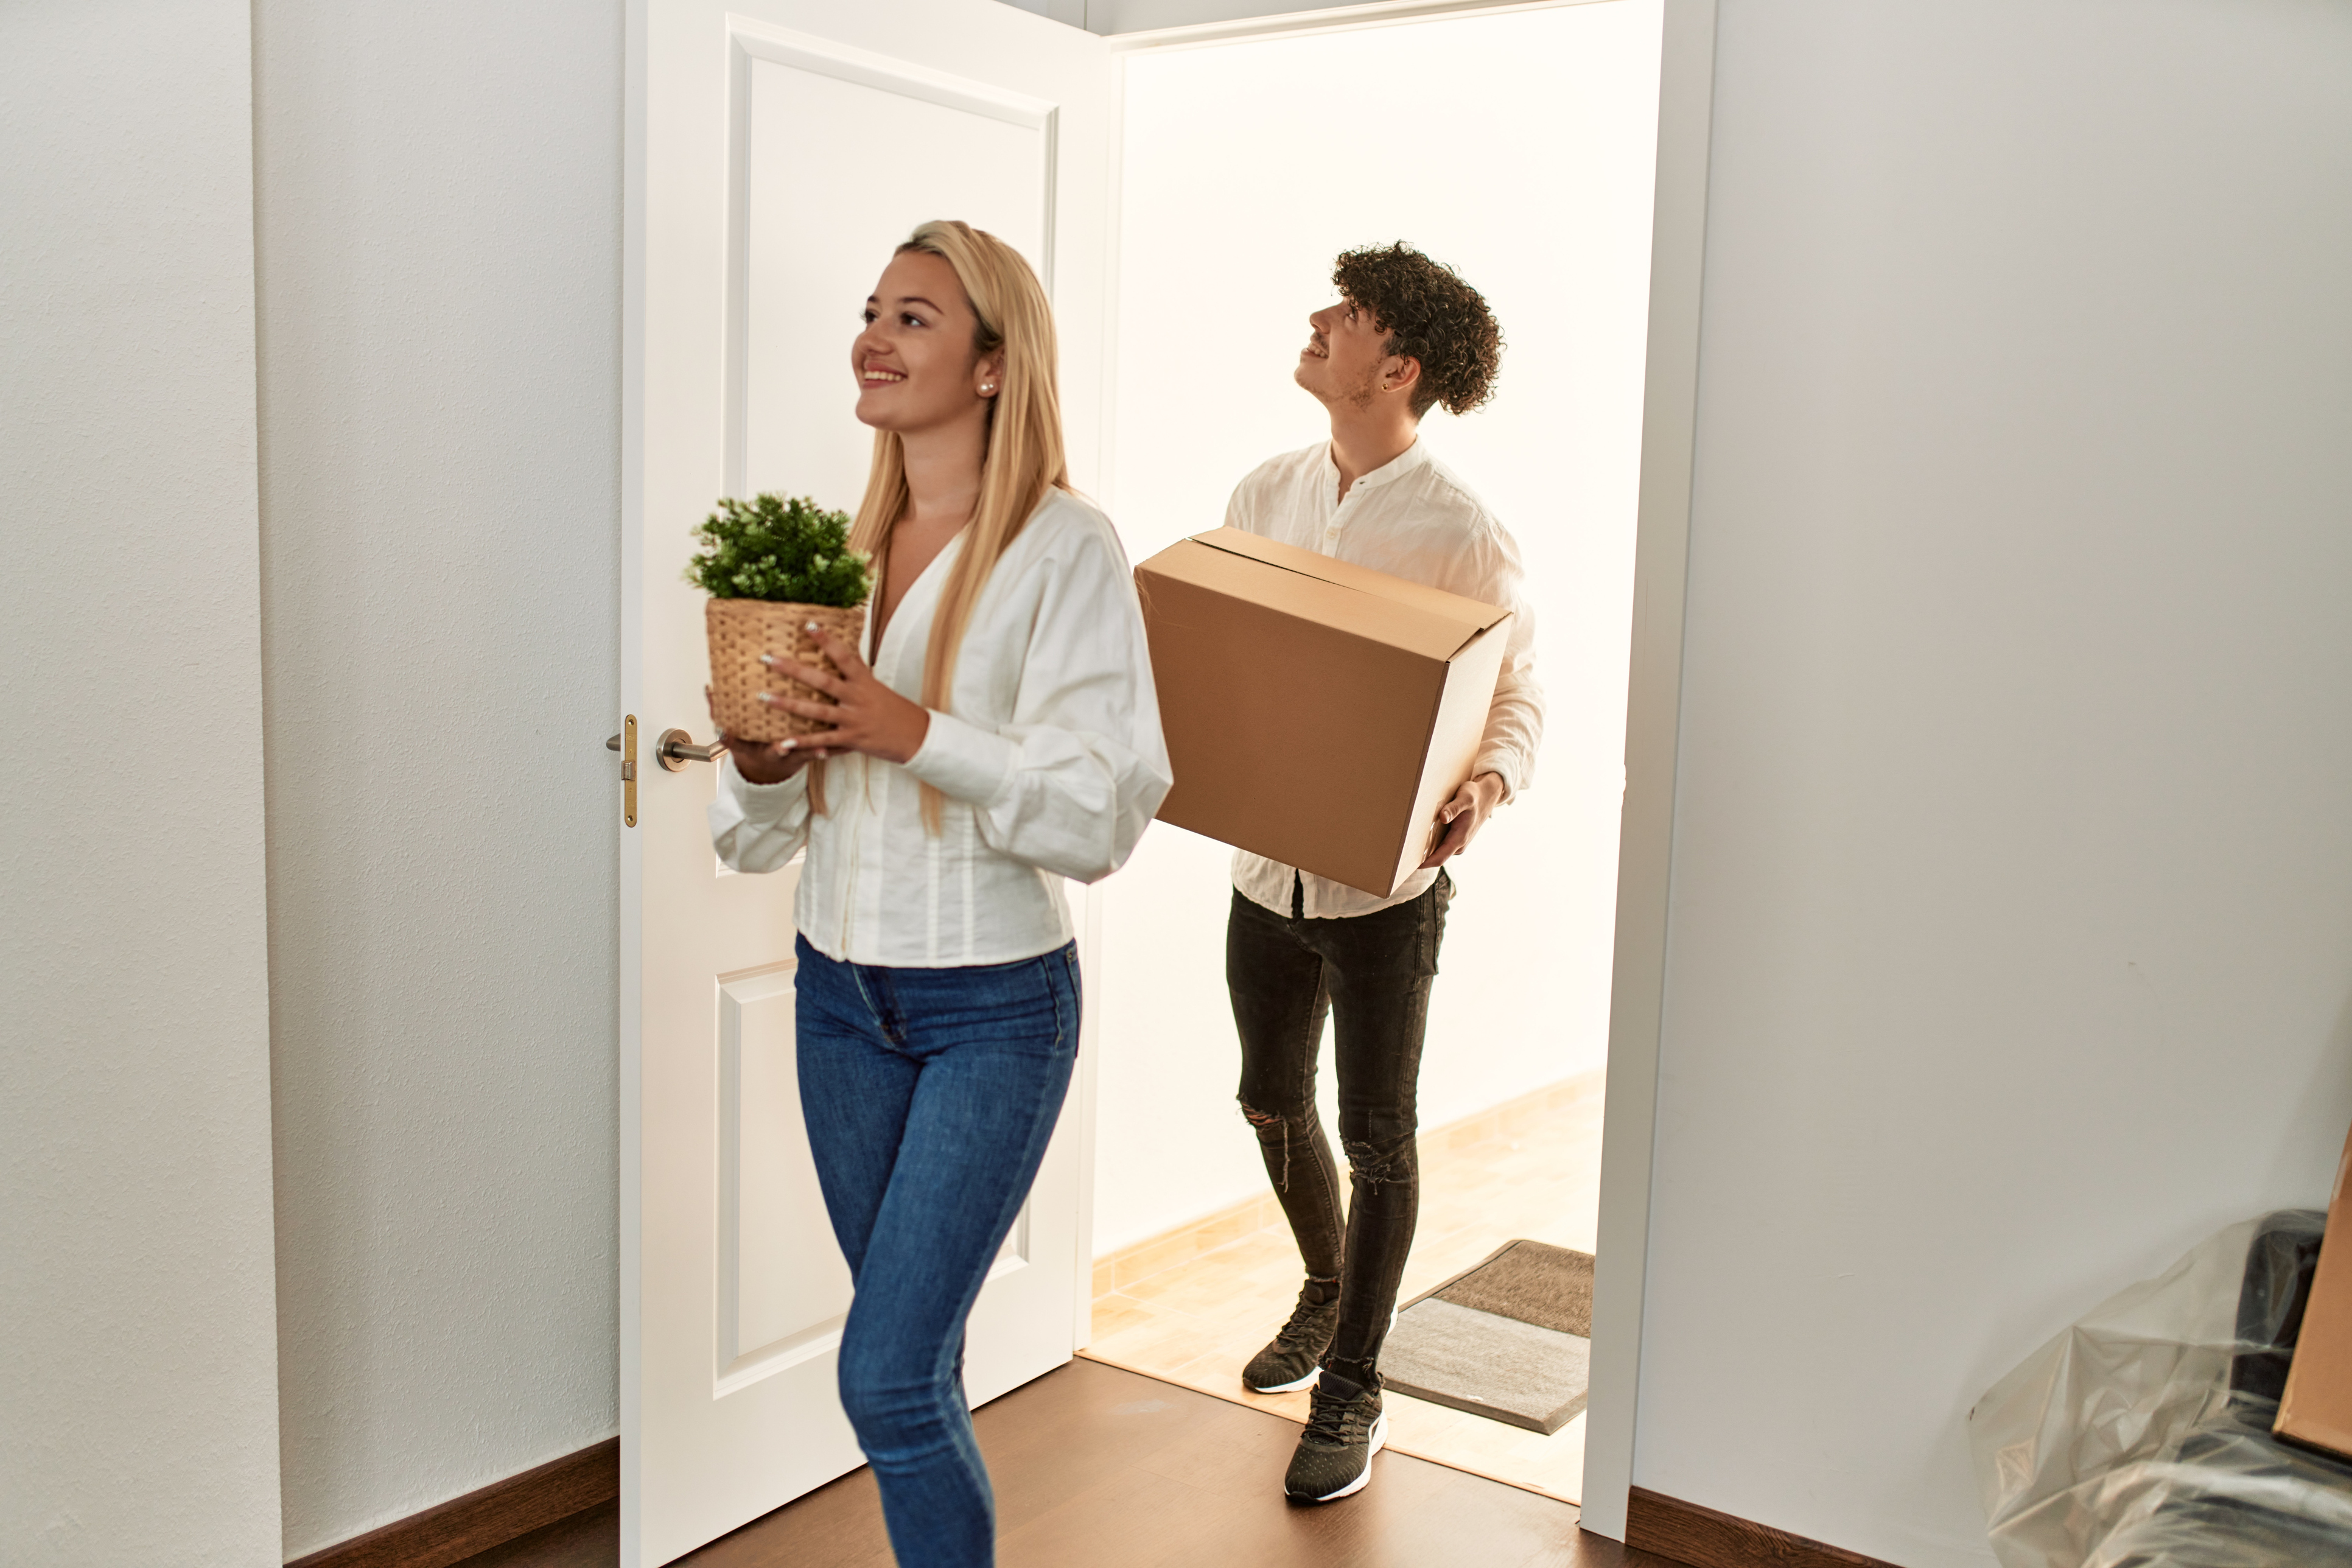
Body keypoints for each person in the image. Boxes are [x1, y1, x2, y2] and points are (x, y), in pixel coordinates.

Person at [707, 220, 1170, 1567]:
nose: (875, 334)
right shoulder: (837, 549)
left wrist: (915, 730)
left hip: (993, 1012)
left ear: (990, 362)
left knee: (886, 1377)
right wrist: (757, 763)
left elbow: (1100, 811)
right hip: (836, 997)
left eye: (915, 316)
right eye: (872, 310)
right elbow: (759, 837)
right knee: (920, 1361)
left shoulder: (1066, 549)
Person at [1223, 242, 1543, 1503]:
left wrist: (1489, 783)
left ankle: (1356, 1384)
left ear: (1396, 365)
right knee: (1266, 1100)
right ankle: (1324, 1281)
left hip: (1386, 898)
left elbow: (1518, 691)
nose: (1316, 320)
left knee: (1380, 1136)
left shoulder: (1464, 534)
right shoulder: (1262, 491)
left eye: (1346, 315)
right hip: (1262, 877)